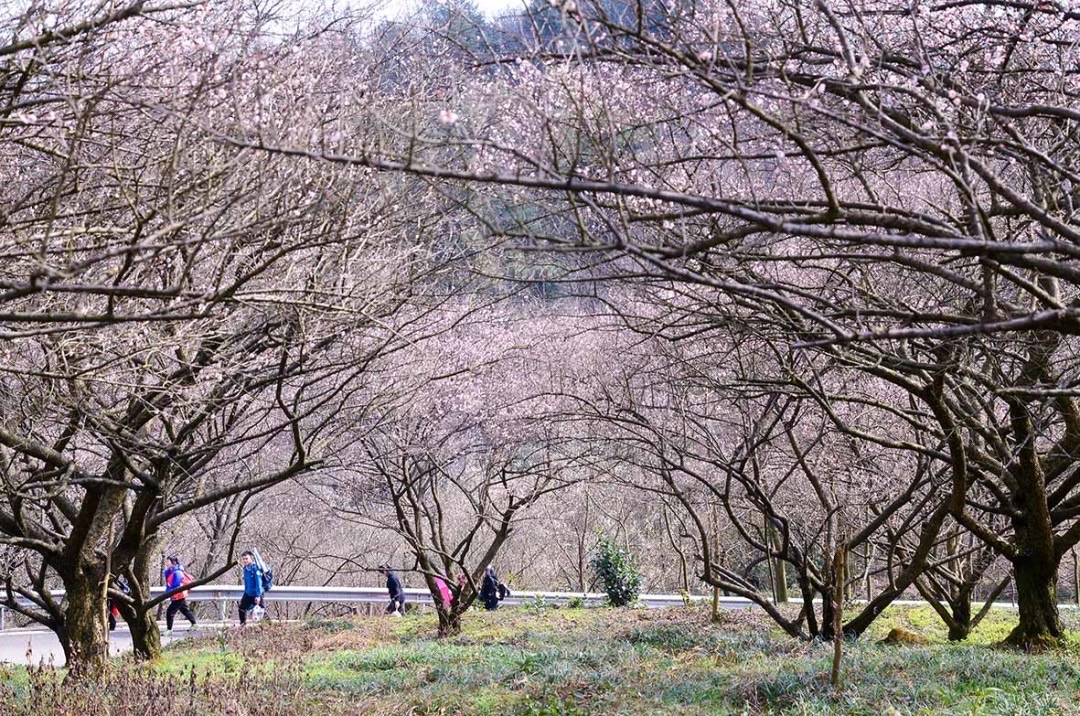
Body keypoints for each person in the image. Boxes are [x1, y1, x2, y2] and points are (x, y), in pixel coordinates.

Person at [163, 556, 197, 633]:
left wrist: (169, 591)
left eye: (168, 561)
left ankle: (169, 629)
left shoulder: (177, 572)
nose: (166, 563)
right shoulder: (171, 571)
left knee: (170, 612)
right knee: (185, 610)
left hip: (179, 595)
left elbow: (176, 585)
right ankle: (194, 624)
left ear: (173, 562)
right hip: (177, 595)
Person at [239, 550, 264, 626]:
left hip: (256, 593)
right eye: (244, 559)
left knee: (261, 611)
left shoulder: (255, 568)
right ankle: (242, 625)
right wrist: (246, 592)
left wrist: (258, 595)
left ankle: (269, 626)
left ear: (250, 559)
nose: (245, 560)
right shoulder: (246, 568)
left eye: (246, 558)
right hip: (248, 593)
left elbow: (258, 582)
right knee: (242, 608)